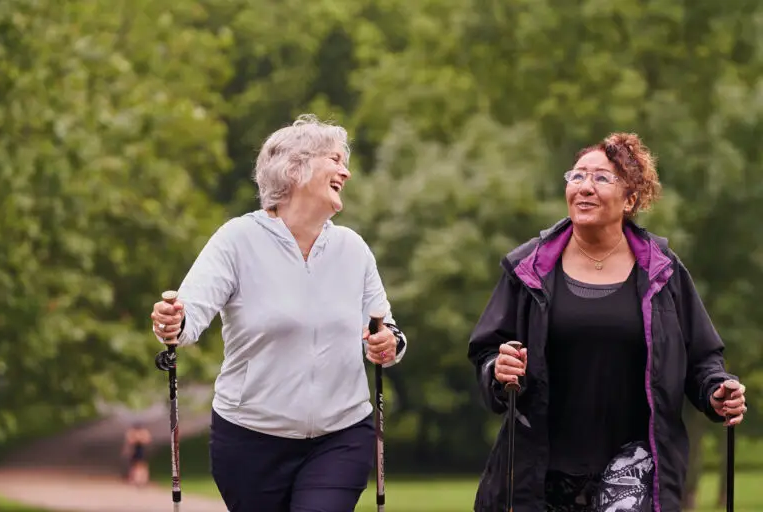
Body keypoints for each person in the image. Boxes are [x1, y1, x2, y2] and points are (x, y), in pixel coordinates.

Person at [467, 133, 748, 512]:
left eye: (601, 178)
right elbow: (487, 350)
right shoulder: (528, 268)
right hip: (542, 473)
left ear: (630, 199)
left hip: (634, 472)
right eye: (577, 176)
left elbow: (702, 358)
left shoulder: (662, 271)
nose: (585, 187)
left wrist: (717, 391)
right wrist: (498, 369)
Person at [149, 114, 408, 512]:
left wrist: (388, 343)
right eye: (335, 159)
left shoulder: (352, 249)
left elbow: (386, 328)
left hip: (341, 434)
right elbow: (188, 317)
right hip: (249, 441)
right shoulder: (238, 240)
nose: (347, 171)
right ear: (294, 168)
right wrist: (172, 321)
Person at [121, 422, 152, 487]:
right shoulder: (132, 432)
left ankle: (142, 480)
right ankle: (135, 479)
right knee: (134, 466)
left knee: (142, 466)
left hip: (142, 449)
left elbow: (147, 440)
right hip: (134, 450)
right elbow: (130, 441)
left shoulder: (143, 432)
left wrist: (139, 438)